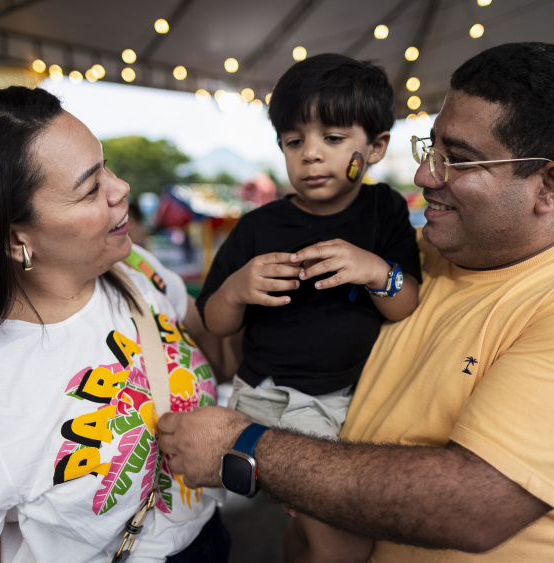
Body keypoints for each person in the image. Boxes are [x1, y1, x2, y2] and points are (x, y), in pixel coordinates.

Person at [160, 42, 554, 561]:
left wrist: (244, 447)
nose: (427, 176)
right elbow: (231, 337)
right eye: (431, 150)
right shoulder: (420, 251)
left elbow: (472, 508)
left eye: (460, 160)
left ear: (550, 185)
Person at [0, 87, 232, 562]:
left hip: (211, 536)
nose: (121, 189)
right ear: (16, 239)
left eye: (107, 167)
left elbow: (216, 357)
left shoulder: (136, 267)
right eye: (91, 188)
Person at [195, 53, 421, 562]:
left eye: (333, 139)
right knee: (346, 541)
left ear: (376, 146)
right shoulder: (258, 227)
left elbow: (405, 305)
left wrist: (374, 270)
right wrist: (235, 289)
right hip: (271, 400)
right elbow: (215, 319)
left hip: (350, 404)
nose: (311, 155)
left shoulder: (385, 210)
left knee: (318, 531)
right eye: (294, 141)